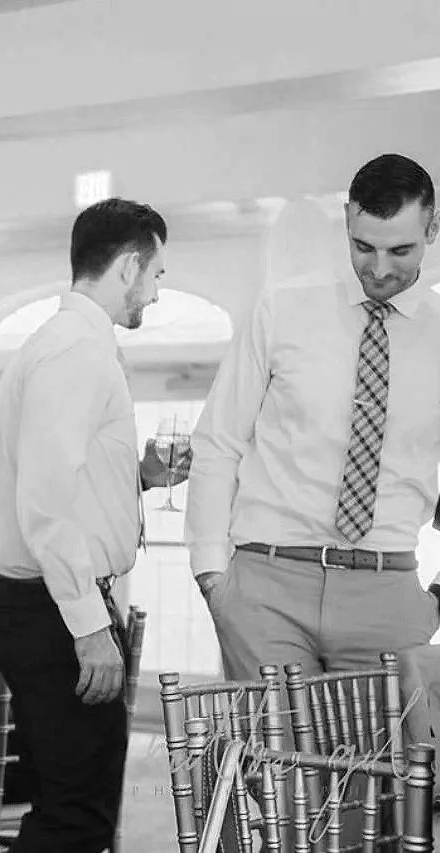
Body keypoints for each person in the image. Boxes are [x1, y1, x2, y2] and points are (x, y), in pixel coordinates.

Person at [186, 154, 440, 681]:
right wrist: (212, 574)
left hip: (388, 593)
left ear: (432, 229)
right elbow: (219, 441)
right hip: (266, 584)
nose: (380, 268)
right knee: (273, 765)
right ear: (348, 220)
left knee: (375, 766)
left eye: (401, 250)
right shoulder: (282, 308)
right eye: (364, 246)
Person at [0, 198, 168, 852]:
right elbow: (44, 499)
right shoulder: (72, 350)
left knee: (74, 798)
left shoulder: (70, 343)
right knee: (75, 810)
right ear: (129, 265)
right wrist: (88, 626)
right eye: (157, 274)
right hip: (48, 606)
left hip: (40, 599)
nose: (156, 292)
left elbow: (64, 479)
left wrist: (138, 477)